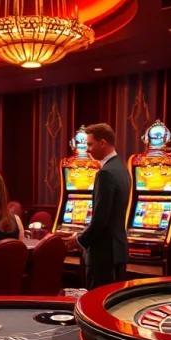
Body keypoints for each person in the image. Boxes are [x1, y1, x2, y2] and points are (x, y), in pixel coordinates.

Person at [62, 123, 130, 290]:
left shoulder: (105, 173)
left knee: (97, 301)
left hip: (103, 254)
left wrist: (79, 240)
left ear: (102, 143)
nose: (87, 149)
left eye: (90, 144)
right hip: (118, 251)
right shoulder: (121, 168)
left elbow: (100, 220)